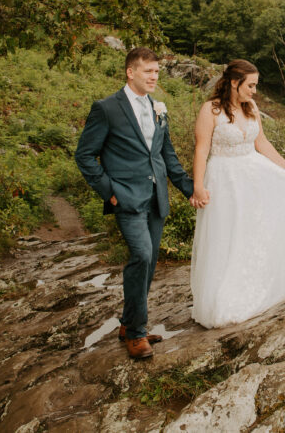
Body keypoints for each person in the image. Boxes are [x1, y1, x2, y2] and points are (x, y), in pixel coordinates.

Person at [75, 47, 206, 360]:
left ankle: (128, 322)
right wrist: (109, 191)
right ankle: (136, 334)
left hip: (156, 197)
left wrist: (190, 188)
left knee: (148, 264)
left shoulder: (159, 107)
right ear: (130, 72)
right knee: (142, 255)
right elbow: (84, 155)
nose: (154, 77)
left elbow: (166, 155)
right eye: (148, 71)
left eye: (157, 72)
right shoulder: (106, 108)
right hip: (126, 197)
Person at [190, 59, 285, 328]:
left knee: (252, 232)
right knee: (228, 235)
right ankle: (224, 297)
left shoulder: (252, 109)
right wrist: (198, 186)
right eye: (251, 85)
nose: (254, 91)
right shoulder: (210, 110)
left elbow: (262, 143)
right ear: (235, 83)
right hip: (224, 178)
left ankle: (257, 286)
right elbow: (201, 149)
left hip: (253, 175)